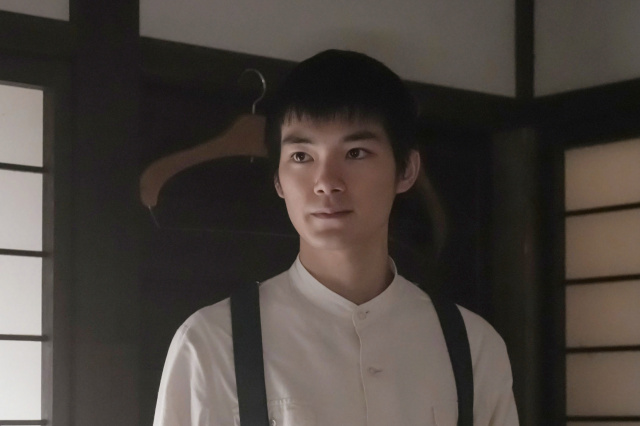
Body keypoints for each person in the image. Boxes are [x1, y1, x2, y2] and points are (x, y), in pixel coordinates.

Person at [153, 49, 519, 426]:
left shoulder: (472, 346)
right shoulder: (212, 343)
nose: (326, 182)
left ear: (406, 170)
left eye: (355, 152)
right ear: (278, 179)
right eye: (301, 156)